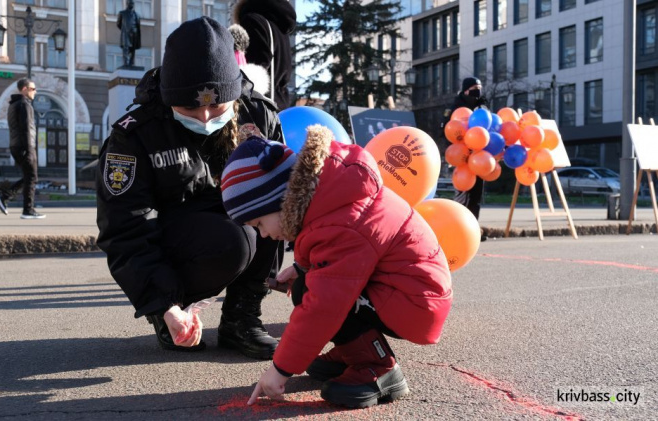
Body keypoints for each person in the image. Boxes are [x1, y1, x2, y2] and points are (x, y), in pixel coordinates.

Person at [220, 127, 453, 408]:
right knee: (308, 285)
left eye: (259, 224)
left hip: (415, 302)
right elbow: (340, 256)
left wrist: (280, 370)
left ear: (281, 200)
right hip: (404, 290)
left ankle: (379, 369)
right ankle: (354, 352)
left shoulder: (341, 220)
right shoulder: (332, 196)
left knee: (316, 296)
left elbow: (325, 305)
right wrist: (302, 266)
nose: (264, 234)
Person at [96, 17, 283, 360]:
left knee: (270, 210)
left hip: (232, 223)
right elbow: (125, 228)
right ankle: (171, 314)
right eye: (189, 108)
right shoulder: (136, 134)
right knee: (233, 242)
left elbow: (284, 194)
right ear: (168, 96)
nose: (205, 117)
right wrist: (165, 304)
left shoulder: (259, 114)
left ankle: (242, 319)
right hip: (177, 236)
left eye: (218, 105)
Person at [0, 78, 45, 219]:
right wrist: (29, 149)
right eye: (33, 89)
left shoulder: (14, 104)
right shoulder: (24, 104)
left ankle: (6, 196)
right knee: (32, 177)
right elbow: (26, 129)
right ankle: (27, 210)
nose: (35, 92)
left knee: (29, 177)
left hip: (17, 146)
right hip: (25, 146)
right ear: (25, 89)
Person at [232, 0, 296, 110]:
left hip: (260, 108)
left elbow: (256, 67)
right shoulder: (280, 27)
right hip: (280, 103)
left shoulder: (252, 20)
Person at [450, 76, 488, 239]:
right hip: (462, 159)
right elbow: (449, 131)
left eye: (479, 89)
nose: (477, 93)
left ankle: (473, 230)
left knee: (477, 196)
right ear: (465, 91)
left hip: (480, 157)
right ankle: (456, 228)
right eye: (474, 89)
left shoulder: (483, 107)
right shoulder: (457, 108)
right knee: (463, 193)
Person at [117, 0, 141, 68]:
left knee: (132, 49)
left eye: (133, 4)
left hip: (134, 34)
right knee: (126, 48)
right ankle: (126, 63)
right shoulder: (122, 13)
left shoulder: (137, 15)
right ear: (127, 4)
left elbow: (138, 25)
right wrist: (125, 30)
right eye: (131, 3)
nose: (132, 5)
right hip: (126, 34)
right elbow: (119, 24)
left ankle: (131, 63)